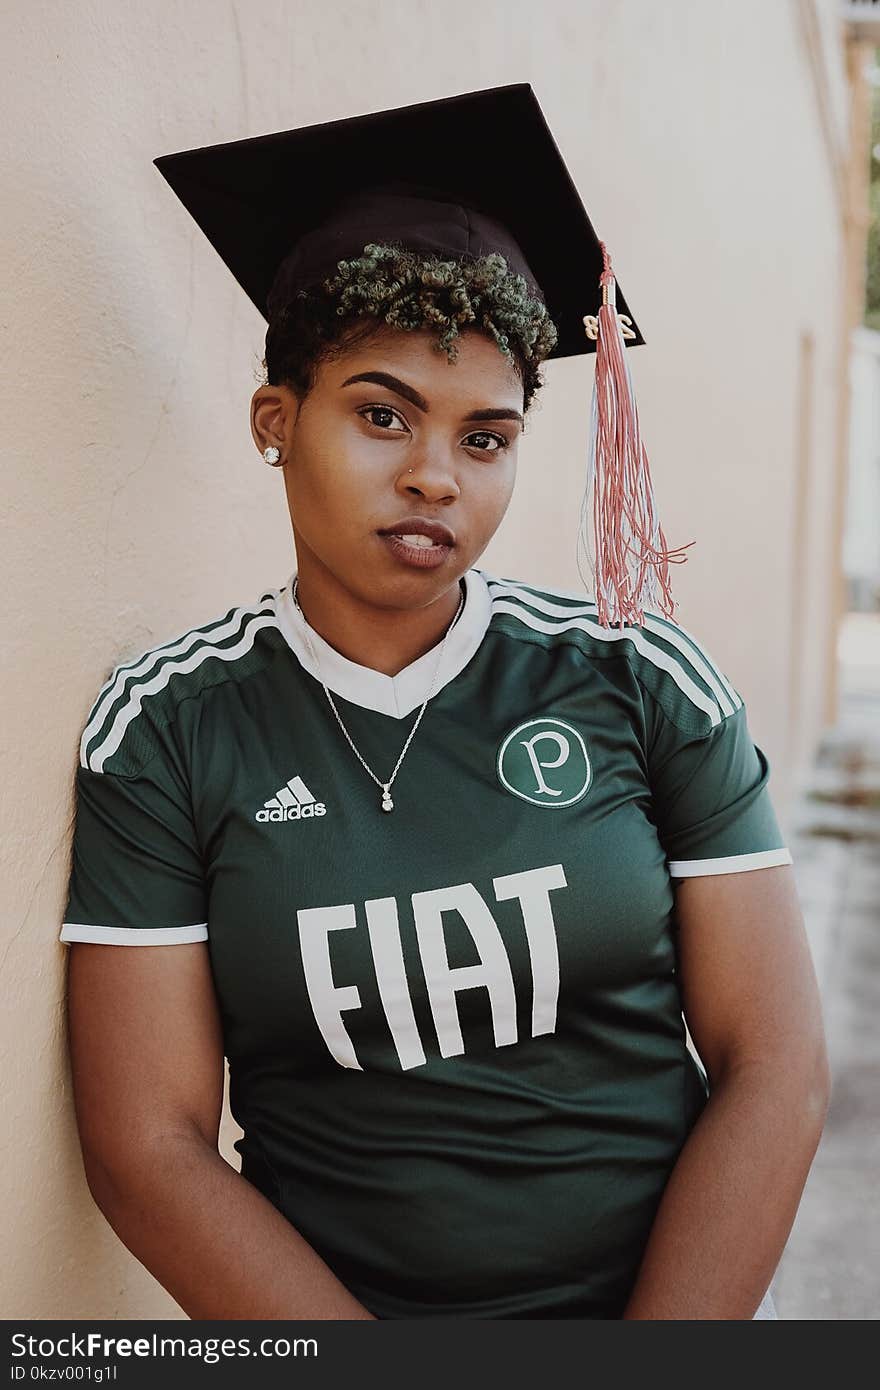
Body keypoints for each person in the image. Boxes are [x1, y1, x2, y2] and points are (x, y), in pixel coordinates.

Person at [59, 85, 830, 1320]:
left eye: (486, 438)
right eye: (380, 415)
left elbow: (776, 1067)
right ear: (277, 422)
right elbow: (146, 1149)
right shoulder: (169, 728)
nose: (433, 476)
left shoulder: (636, 679)